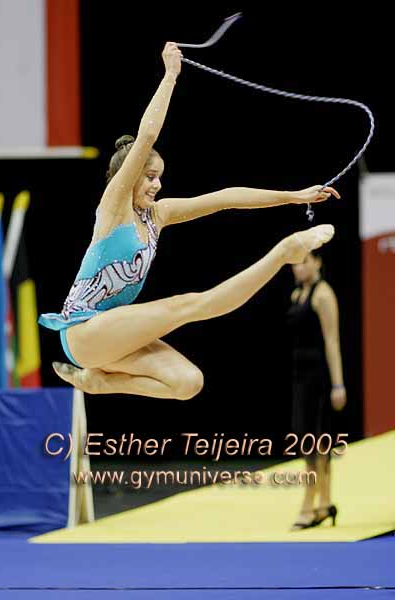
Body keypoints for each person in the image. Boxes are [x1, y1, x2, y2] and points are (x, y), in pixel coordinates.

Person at [39, 41, 340, 400]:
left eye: (160, 177)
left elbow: (225, 199)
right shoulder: (113, 208)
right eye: (150, 176)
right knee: (186, 305)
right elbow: (147, 136)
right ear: (129, 176)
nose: (157, 184)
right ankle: (283, 253)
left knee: (187, 383)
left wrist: (293, 196)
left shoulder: (157, 215)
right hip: (83, 331)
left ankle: (100, 384)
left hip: (114, 335)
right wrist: (170, 75)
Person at [287, 250, 347, 530]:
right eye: (295, 263)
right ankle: (324, 503)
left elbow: (333, 341)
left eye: (304, 262)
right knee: (306, 440)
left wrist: (338, 384)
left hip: (319, 378)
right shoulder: (296, 295)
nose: (298, 268)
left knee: (318, 442)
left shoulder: (323, 295)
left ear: (318, 262)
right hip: (300, 377)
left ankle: (310, 504)